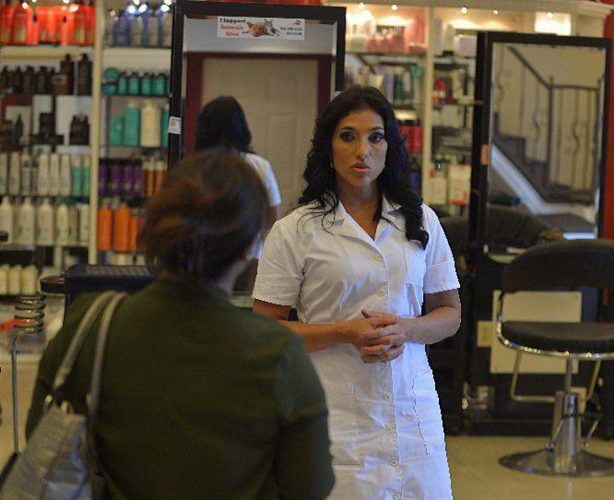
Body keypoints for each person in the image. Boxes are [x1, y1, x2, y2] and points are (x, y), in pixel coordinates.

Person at [26, 149, 335, 499]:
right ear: (251, 244)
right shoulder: (277, 354)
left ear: (156, 224)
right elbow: (310, 486)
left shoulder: (91, 327)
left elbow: (41, 446)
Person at [253, 86, 461, 499]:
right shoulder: (296, 230)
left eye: (375, 137)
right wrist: (345, 333)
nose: (362, 150)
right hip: (333, 412)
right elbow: (265, 332)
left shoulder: (422, 221)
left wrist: (406, 329)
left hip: (410, 408)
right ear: (328, 146)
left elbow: (449, 313)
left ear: (390, 147)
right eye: (348, 136)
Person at [195, 95, 282, 227]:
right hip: (248, 243)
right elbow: (273, 217)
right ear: (240, 126)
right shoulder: (259, 166)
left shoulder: (197, 167)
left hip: (205, 244)